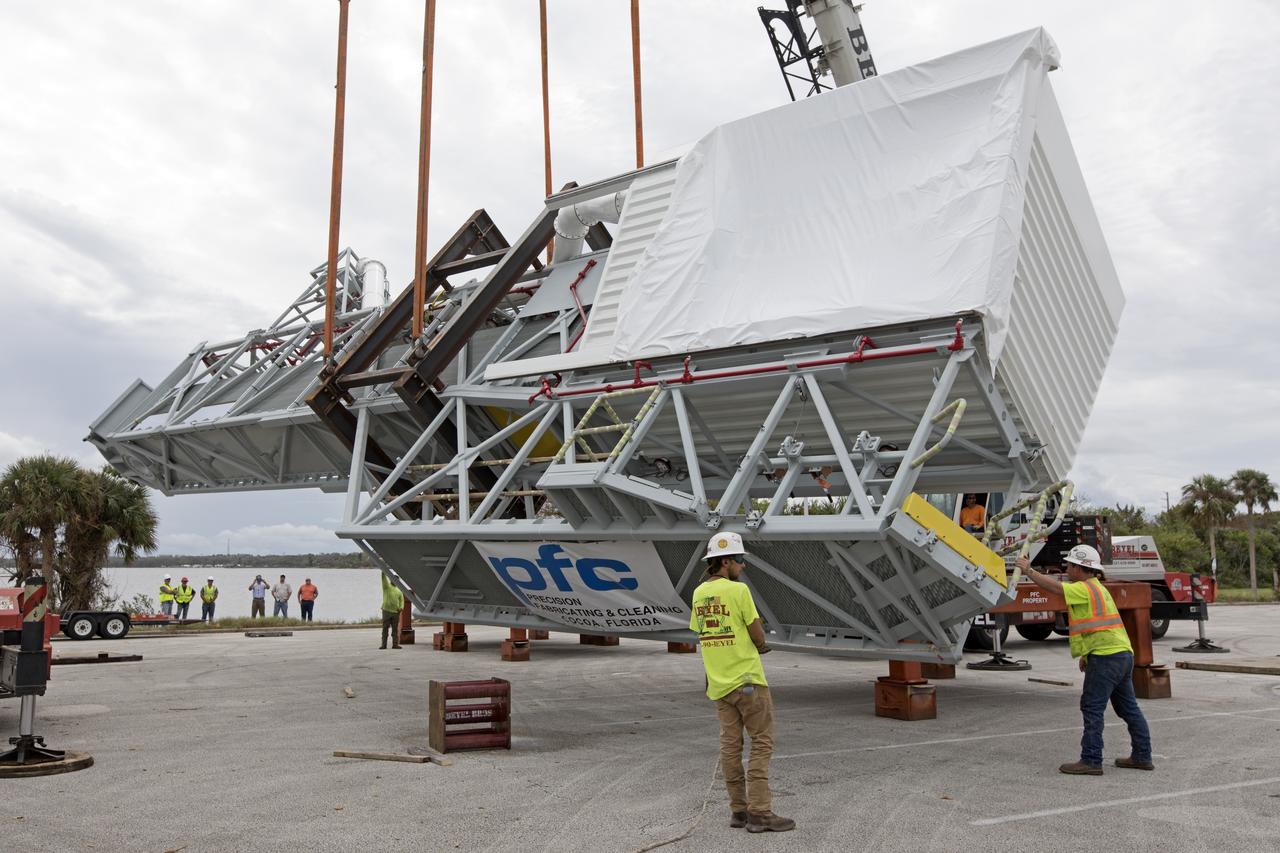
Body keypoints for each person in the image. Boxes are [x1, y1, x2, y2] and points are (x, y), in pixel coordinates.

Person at [689, 532, 794, 833]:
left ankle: (738, 811)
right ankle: (760, 813)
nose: (743, 566)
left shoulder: (698, 594)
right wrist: (760, 646)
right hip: (748, 680)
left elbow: (701, 631)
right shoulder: (739, 591)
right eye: (740, 560)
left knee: (730, 747)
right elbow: (757, 634)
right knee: (761, 743)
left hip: (719, 685)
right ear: (725, 562)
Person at [1018, 544, 1153, 775]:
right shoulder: (1098, 588)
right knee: (1129, 709)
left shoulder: (1084, 588)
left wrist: (1029, 571)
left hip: (1106, 657)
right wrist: (1086, 654)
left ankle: (1091, 759)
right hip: (1120, 654)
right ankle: (1142, 756)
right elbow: (1095, 625)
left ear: (1079, 568)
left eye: (1069, 565)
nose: (1066, 569)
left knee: (1092, 707)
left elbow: (1056, 588)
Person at [380, 573, 403, 650]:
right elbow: (383, 579)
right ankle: (384, 645)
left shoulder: (399, 591)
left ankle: (395, 645)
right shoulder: (386, 587)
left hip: (395, 612)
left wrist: (401, 607)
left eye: (396, 580)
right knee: (385, 628)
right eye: (393, 579)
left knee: (395, 629)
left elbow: (401, 600)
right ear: (391, 580)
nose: (395, 581)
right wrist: (383, 571)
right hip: (386, 611)